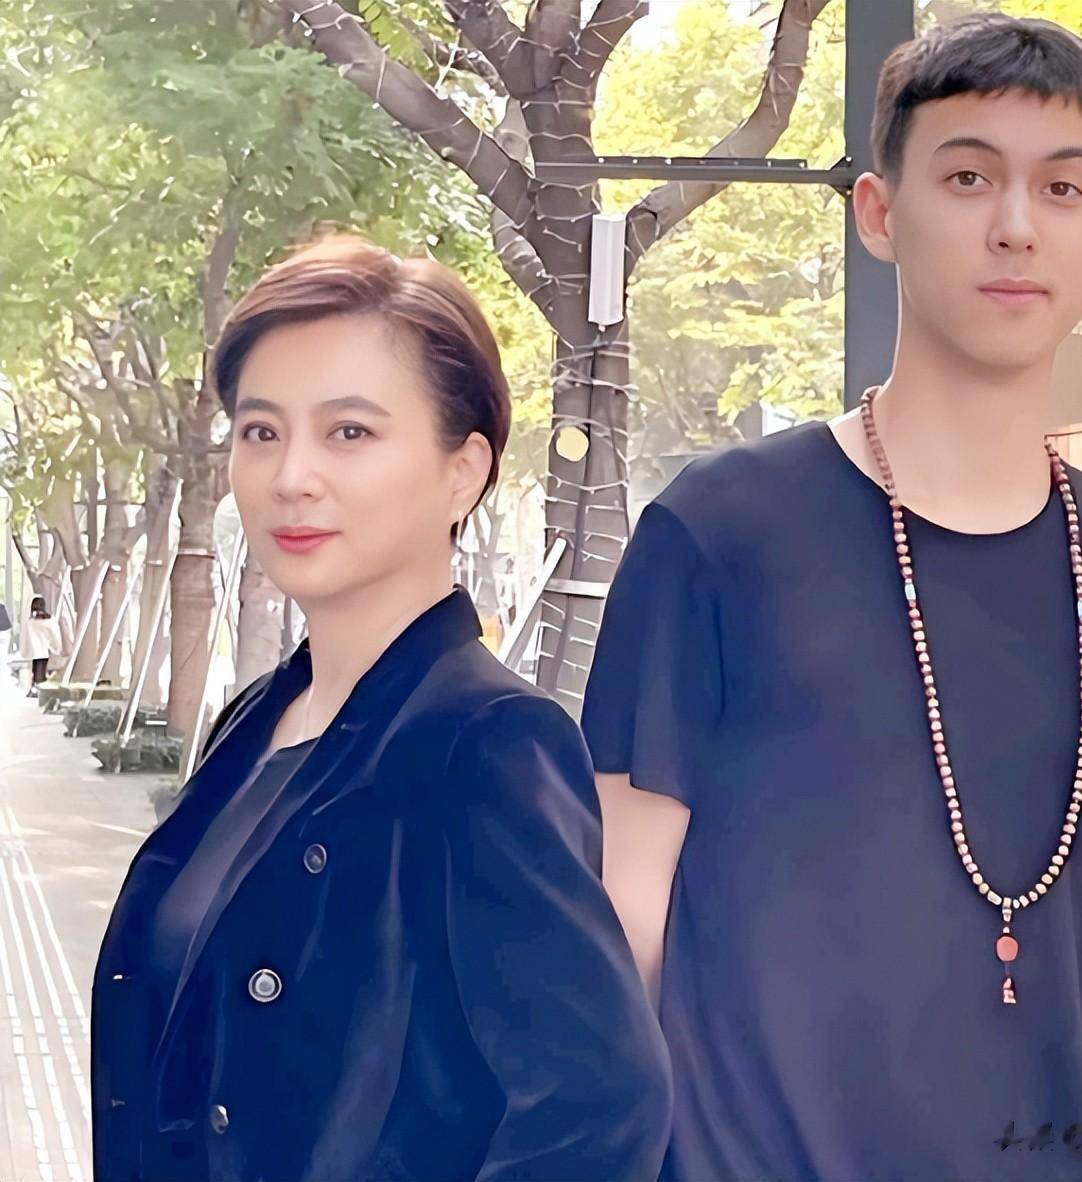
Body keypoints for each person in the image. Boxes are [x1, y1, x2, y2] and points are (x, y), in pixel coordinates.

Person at [581, 15, 1082, 1182]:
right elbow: (621, 927)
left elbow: (1044, 927)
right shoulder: (717, 533)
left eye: (1061, 189)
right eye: (967, 177)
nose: (1015, 225)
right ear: (878, 213)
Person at [91, 235, 672, 1182]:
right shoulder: (257, 721)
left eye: (349, 433)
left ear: (463, 471)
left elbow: (598, 1112)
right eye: (261, 432)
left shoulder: (487, 743)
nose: (291, 477)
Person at [19, 595, 61, 696]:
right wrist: (56, 647)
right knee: (41, 669)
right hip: (44, 650)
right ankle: (39, 689)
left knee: (36, 669)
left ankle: (36, 689)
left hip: (33, 651)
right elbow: (54, 635)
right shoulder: (49, 620)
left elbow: (24, 637)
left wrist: (24, 651)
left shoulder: (30, 622)